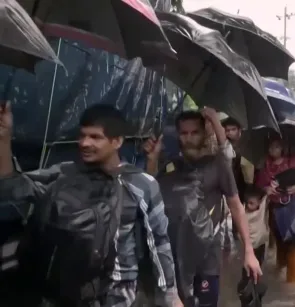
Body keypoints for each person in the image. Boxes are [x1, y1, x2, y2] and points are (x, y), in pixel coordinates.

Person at [0, 102, 183, 307]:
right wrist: (4, 139)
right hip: (62, 293)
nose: (85, 143)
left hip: (117, 296)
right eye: (82, 135)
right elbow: (11, 188)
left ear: (117, 141)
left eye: (95, 137)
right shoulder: (64, 174)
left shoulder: (141, 184)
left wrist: (170, 296)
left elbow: (158, 242)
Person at [144, 111, 262, 307]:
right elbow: (151, 195)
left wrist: (249, 252)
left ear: (204, 134)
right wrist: (152, 159)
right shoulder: (172, 165)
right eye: (184, 133)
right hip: (176, 256)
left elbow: (236, 207)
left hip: (208, 257)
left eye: (194, 133)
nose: (189, 138)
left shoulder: (218, 166)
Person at [255, 136, 295, 285]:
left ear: (283, 147)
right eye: (271, 147)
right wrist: (267, 189)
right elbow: (259, 187)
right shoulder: (265, 167)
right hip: (275, 208)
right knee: (280, 241)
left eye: (277, 146)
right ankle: (281, 269)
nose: (273, 150)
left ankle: (292, 281)